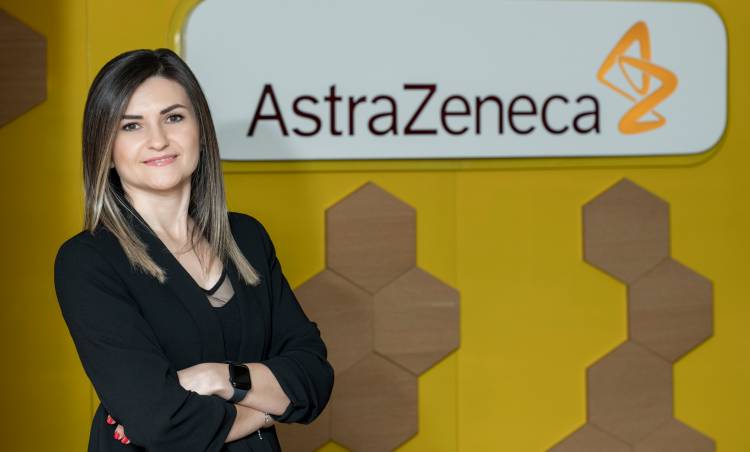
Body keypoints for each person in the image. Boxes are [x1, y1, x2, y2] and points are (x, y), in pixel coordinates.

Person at [53, 48, 334, 451]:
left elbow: (314, 377)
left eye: (173, 117)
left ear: (200, 129)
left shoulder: (247, 238)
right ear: (105, 149)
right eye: (131, 126)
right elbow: (162, 423)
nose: (158, 140)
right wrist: (270, 408)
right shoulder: (88, 261)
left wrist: (218, 377)